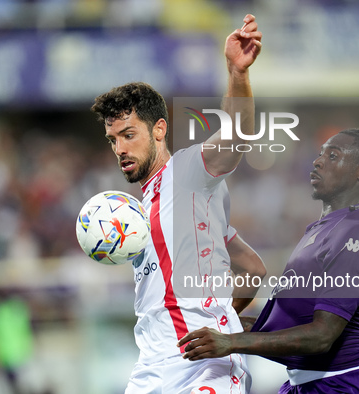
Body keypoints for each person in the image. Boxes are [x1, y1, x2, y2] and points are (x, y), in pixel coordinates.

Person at [91, 14, 264, 394]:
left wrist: (237, 74)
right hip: (152, 366)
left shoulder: (187, 171)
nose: (119, 148)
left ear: (159, 129)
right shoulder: (140, 210)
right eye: (112, 140)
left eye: (128, 135)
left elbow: (236, 137)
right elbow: (252, 268)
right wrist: (224, 313)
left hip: (202, 368)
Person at [178, 129, 359, 393]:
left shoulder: (356, 233)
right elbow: (285, 324)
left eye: (334, 156)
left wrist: (232, 341)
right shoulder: (322, 229)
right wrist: (218, 326)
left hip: (342, 384)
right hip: (308, 383)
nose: (317, 162)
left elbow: (322, 336)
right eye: (320, 154)